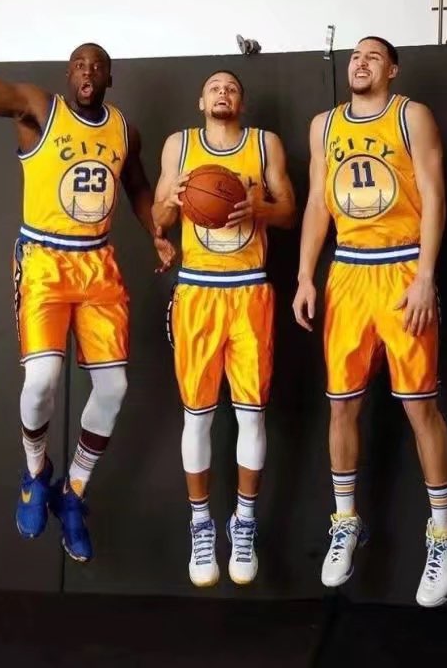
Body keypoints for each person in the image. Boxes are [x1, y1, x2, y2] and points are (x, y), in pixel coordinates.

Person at [0, 0, 175, 563]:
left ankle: (73, 492)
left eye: (97, 64)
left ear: (110, 77)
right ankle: (35, 474)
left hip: (98, 265)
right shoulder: (37, 108)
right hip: (45, 260)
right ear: (69, 75)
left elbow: (137, 186)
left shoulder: (124, 130)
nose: (87, 70)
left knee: (115, 388)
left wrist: (154, 230)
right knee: (41, 380)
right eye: (79, 63)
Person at [293, 36, 447, 607]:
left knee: (420, 406)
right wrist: (305, 276)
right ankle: (346, 521)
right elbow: (318, 203)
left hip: (402, 267)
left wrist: (426, 274)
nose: (359, 62)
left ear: (392, 69)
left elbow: (434, 196)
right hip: (348, 272)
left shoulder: (412, 116)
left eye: (372, 56)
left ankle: (443, 532)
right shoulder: (323, 126)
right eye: (354, 56)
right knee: (341, 405)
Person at [153, 71, 295, 587]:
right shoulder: (180, 145)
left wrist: (262, 208)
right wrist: (175, 199)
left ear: (242, 102)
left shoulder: (264, 144)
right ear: (201, 100)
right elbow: (158, 216)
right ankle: (200, 526)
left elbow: (290, 211)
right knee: (196, 417)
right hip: (198, 291)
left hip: (250, 289)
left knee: (252, 415)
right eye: (214, 87)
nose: (222, 93)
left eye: (231, 88)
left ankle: (244, 522)